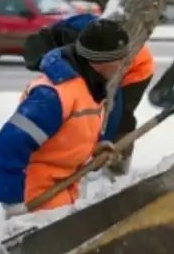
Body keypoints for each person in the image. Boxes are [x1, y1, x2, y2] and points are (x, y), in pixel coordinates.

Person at [0, 18, 130, 254]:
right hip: (36, 190)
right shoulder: (53, 95)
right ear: (101, 60)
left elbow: (69, 132)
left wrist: (94, 148)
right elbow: (9, 145)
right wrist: (13, 204)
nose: (124, 64)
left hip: (62, 184)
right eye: (120, 58)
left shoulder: (88, 82)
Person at [23, 13, 154, 176]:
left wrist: (105, 140)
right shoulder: (62, 32)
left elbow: (113, 102)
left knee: (122, 118)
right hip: (115, 57)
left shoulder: (89, 49)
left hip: (136, 68)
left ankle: (118, 166)